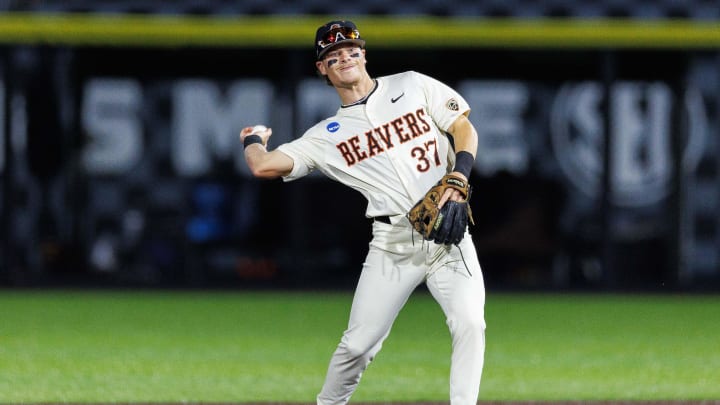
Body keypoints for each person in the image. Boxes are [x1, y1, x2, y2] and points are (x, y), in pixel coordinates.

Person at [240, 20, 486, 405]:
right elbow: (264, 166)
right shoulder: (327, 135)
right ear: (322, 68)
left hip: (447, 238)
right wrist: (253, 140)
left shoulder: (411, 84)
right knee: (358, 346)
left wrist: (459, 175)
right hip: (392, 245)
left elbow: (463, 127)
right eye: (333, 56)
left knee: (470, 322)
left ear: (364, 54)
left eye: (351, 50)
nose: (345, 58)